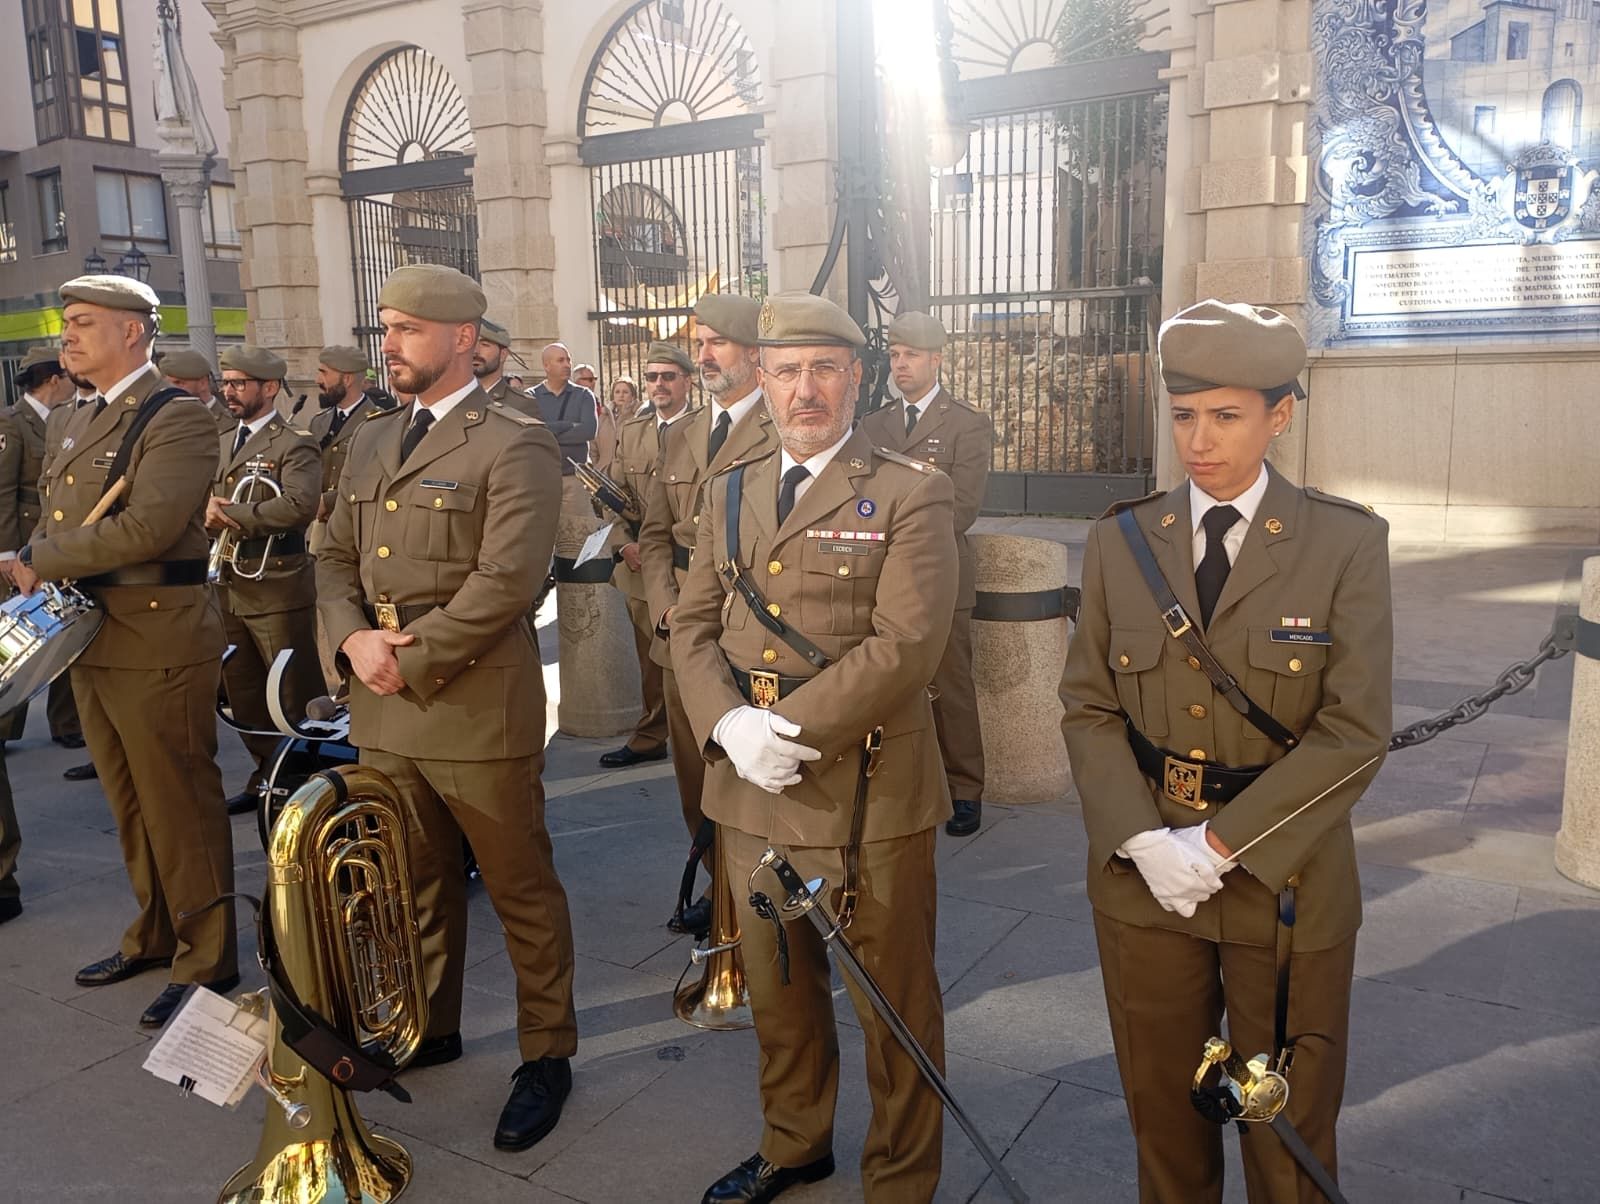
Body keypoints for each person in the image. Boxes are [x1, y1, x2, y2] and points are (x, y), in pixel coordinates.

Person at [1060, 299, 1392, 1204]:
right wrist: (1140, 840)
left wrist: (1214, 846)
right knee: (1162, 1115)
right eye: (1183, 416)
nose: (1199, 441)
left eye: (1227, 416)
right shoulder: (1119, 542)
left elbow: (1354, 731)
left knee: (1280, 1123)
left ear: (1279, 416)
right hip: (1145, 877)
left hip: (1281, 880)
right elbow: (1086, 705)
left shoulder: (1343, 542)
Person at [672, 293, 958, 1204]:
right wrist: (727, 726)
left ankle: (902, 1181)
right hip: (752, 793)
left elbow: (907, 645)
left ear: (857, 377)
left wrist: (782, 732)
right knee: (780, 986)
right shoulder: (730, 488)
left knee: (893, 1007)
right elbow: (688, 626)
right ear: (762, 377)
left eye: (826, 369)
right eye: (788, 370)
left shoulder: (913, 490)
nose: (807, 390)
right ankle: (795, 1143)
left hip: (870, 793)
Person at [316, 263, 578, 1151]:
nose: (388, 344)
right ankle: (429, 1024)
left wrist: (403, 656)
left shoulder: (515, 439)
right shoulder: (370, 437)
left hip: (471, 703)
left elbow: (508, 581)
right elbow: (333, 560)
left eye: (407, 330)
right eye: (384, 327)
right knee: (411, 879)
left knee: (519, 889)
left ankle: (547, 1053)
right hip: (382, 702)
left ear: (463, 337)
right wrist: (354, 643)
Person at [7, 274, 237, 1028]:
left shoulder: (177, 416)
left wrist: (42, 557)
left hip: (158, 632)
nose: (66, 337)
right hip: (97, 634)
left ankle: (207, 956)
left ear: (133, 331)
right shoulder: (77, 417)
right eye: (65, 323)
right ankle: (155, 931)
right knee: (130, 800)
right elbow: (63, 512)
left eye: (82, 323)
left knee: (179, 801)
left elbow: (148, 529)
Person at [639, 294, 778, 935]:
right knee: (694, 769)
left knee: (752, 772)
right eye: (700, 343)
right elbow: (655, 531)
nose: (704, 355)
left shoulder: (782, 428)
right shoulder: (686, 431)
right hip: (682, 631)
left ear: (754, 352)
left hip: (750, 628)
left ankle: (760, 890)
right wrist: (665, 604)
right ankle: (716, 883)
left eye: (717, 342)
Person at [858, 312, 992, 836]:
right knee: (885, 679)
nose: (900, 364)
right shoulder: (875, 424)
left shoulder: (965, 423)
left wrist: (902, 541)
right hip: (880, 573)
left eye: (911, 355)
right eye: (894, 355)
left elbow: (963, 506)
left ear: (936, 359)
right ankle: (898, 780)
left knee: (950, 684)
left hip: (940, 574)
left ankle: (965, 789)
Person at [211, 345, 324, 814]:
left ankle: (306, 783)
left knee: (290, 692)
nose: (229, 392)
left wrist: (231, 514)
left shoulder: (293, 441)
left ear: (269, 388)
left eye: (239, 383)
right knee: (245, 695)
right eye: (227, 383)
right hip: (230, 585)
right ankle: (266, 775)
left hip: (276, 583)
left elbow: (299, 505)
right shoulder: (223, 437)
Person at [597, 344, 694, 771]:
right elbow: (610, 497)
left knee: (693, 657)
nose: (659, 384)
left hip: (689, 567)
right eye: (652, 377)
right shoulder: (633, 431)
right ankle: (652, 735)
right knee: (650, 660)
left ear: (687, 381)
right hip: (639, 565)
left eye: (668, 376)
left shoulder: (704, 430)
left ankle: (702, 735)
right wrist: (624, 544)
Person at [1, 347, 84, 750]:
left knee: (63, 628)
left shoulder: (65, 420)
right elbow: (2, 493)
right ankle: (3, 726)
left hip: (54, 543)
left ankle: (66, 722)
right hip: (22, 546)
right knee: (18, 645)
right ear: (54, 379)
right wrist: (6, 553)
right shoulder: (12, 422)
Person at [307, 346, 385, 554]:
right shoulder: (318, 422)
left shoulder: (380, 422)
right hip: (318, 528)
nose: (317, 380)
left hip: (357, 528)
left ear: (347, 379)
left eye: (324, 372)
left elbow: (377, 479)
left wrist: (329, 500)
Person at [161, 346, 233, 435]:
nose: (170, 388)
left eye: (178, 382)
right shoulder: (163, 420)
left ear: (202, 383)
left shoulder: (228, 425)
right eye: (167, 383)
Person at [473, 318, 535, 414]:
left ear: (502, 355)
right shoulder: (454, 398)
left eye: (484, 345)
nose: (475, 351)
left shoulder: (523, 404)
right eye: (471, 344)